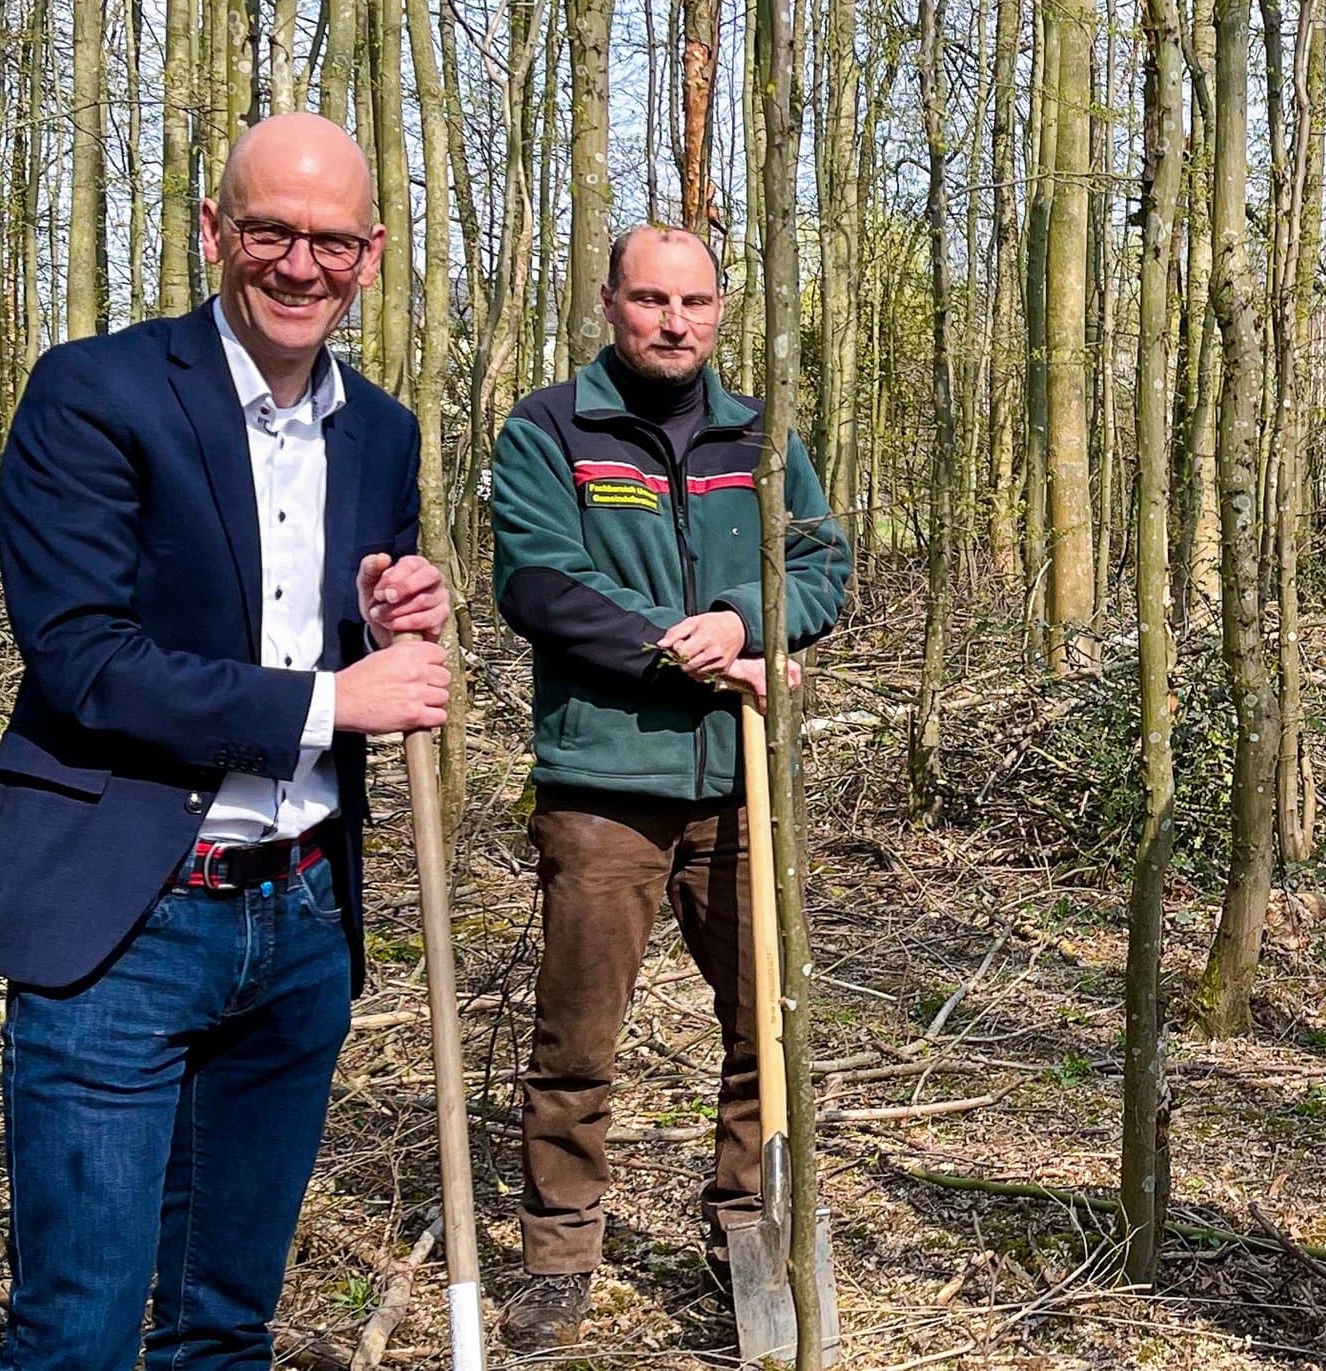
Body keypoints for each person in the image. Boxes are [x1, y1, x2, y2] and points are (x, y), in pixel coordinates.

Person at [0, 112, 453, 1370]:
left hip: (300, 919)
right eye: (270, 231)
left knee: (223, 1331)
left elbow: (318, 625)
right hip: (125, 920)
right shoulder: (96, 391)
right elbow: (83, 658)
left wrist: (383, 610)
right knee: (77, 1336)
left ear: (371, 254)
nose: (300, 265)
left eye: (331, 241)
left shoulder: (380, 431)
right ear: (214, 230)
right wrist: (333, 702)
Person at [488, 224, 852, 1347]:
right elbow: (542, 584)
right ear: (609, 302)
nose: (673, 321)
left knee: (765, 1026)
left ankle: (747, 1229)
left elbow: (823, 565)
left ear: (721, 309)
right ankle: (559, 1253)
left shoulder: (763, 435)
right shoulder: (553, 428)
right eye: (650, 299)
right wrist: (685, 649)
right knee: (577, 1041)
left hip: (744, 784)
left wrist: (748, 621)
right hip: (606, 783)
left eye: (694, 302)